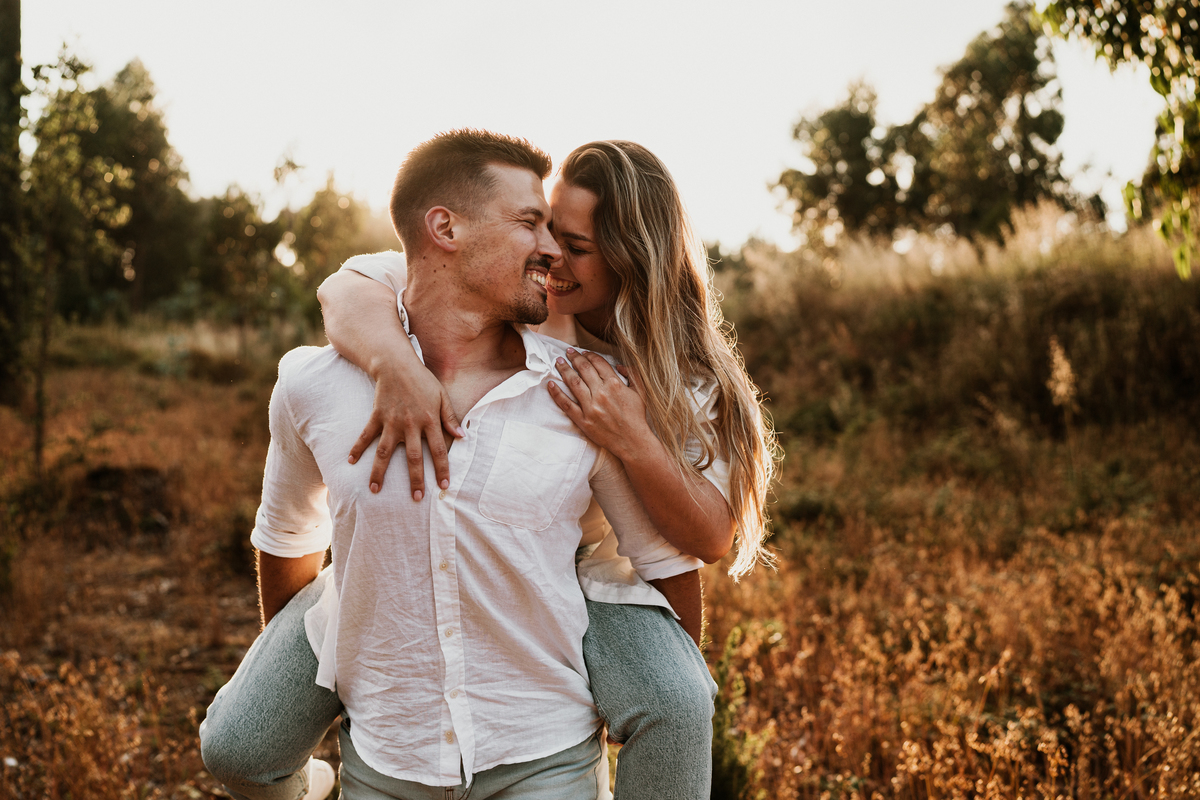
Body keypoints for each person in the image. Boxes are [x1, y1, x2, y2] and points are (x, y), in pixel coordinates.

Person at [199, 130, 713, 800]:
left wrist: (667, 685)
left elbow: (676, 554)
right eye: (531, 223)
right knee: (234, 748)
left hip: (543, 745)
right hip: (386, 759)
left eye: (562, 235)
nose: (553, 250)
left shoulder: (592, 390)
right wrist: (320, 673)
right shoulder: (313, 383)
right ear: (446, 227)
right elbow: (288, 538)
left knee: (682, 700)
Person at [318, 141, 778, 796]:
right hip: (474, 562)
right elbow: (346, 287)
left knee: (679, 703)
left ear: (631, 257)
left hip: (603, 582)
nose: (551, 255)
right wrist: (395, 363)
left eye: (577, 246)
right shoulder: (527, 296)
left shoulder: (691, 379)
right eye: (547, 229)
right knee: (245, 737)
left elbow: (708, 540)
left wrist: (632, 437)